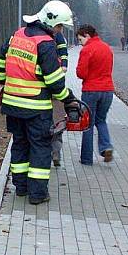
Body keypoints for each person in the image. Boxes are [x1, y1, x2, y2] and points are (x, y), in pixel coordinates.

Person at [0, 0, 79, 205]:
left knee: (20, 144)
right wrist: (70, 100)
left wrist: (0, 85)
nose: (59, 31)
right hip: (36, 109)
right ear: (53, 23)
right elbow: (54, 82)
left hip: (13, 106)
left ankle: (21, 188)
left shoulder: (17, 35)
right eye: (60, 27)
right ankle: (38, 194)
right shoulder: (46, 44)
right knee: (40, 148)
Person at [75, 25, 115, 165]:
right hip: (108, 90)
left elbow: (81, 73)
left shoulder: (87, 50)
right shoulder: (107, 48)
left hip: (91, 91)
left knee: (88, 124)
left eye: (80, 40)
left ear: (87, 35)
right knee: (101, 120)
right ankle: (106, 147)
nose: (80, 43)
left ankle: (86, 159)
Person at [50, 27, 69, 167]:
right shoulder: (60, 37)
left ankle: (45, 154)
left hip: (40, 98)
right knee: (57, 127)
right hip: (57, 95)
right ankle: (56, 153)